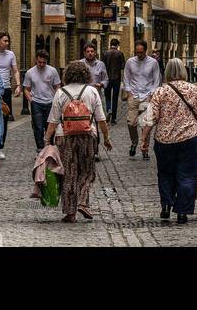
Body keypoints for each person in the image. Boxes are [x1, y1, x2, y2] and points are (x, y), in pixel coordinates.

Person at [140, 57, 197, 225]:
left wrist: (144, 139)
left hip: (165, 140)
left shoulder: (160, 92)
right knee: (187, 175)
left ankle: (166, 204)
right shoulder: (194, 90)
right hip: (190, 138)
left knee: (165, 174)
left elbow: (150, 118)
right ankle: (182, 212)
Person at [44, 59, 112, 223]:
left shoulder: (61, 92)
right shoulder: (92, 91)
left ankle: (70, 213)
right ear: (86, 75)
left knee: (68, 174)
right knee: (87, 172)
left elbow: (53, 120)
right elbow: (101, 119)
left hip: (64, 136)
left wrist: (47, 139)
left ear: (67, 75)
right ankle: (82, 201)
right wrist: (106, 138)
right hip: (87, 136)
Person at [123, 40, 162, 158]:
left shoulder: (153, 62)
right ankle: (134, 142)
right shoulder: (130, 62)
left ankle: (145, 149)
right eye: (137, 52)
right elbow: (126, 77)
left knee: (146, 123)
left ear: (146, 51)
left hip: (147, 95)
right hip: (134, 95)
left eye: (141, 52)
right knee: (131, 122)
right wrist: (129, 92)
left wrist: (151, 94)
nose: (139, 55)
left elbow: (157, 80)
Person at [0, 31, 21, 157]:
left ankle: (0, 147)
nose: (7, 43)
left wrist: (18, 85)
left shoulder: (10, 54)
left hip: (5, 89)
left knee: (4, 118)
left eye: (8, 41)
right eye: (5, 41)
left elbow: (15, 71)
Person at [23, 48, 61, 152]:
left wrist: (55, 99)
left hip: (50, 102)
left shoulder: (52, 71)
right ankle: (40, 148)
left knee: (50, 126)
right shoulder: (30, 72)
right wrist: (31, 100)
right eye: (40, 62)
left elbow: (57, 86)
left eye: (44, 62)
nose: (41, 64)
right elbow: (26, 89)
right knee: (38, 127)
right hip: (37, 102)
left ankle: (50, 147)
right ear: (36, 60)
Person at [102, 38, 126, 123]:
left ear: (110, 44)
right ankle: (114, 118)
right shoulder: (120, 53)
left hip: (107, 79)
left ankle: (109, 109)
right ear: (117, 45)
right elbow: (123, 65)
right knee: (115, 98)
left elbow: (102, 65)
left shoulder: (105, 53)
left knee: (107, 96)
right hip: (116, 78)